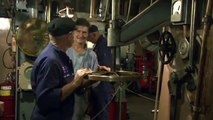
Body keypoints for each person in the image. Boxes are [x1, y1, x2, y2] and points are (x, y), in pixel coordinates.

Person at [30, 17, 92, 120]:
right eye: (73, 33)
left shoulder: (61, 56)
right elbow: (46, 100)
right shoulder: (51, 61)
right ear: (69, 36)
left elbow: (68, 87)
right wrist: (75, 83)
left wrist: (93, 77)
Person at [66, 18, 99, 120]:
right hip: (65, 97)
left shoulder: (92, 55)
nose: (81, 35)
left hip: (82, 99)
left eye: (84, 32)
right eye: (78, 31)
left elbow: (94, 81)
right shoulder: (65, 52)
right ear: (73, 33)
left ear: (88, 34)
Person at [87, 25, 114, 120]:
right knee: (97, 111)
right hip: (98, 84)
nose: (89, 41)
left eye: (89, 38)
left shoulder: (103, 45)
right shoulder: (99, 45)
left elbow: (106, 67)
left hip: (103, 85)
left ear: (94, 35)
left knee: (102, 112)